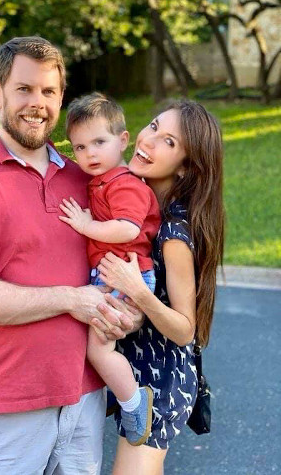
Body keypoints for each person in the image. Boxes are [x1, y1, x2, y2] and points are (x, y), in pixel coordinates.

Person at [0, 36, 140, 475]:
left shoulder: (86, 177)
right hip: (3, 412)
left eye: (48, 91)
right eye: (24, 89)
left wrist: (126, 311)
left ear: (61, 97)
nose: (36, 103)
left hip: (82, 404)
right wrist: (71, 298)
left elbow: (118, 259)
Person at [95, 100, 225, 474]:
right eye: (153, 126)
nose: (148, 140)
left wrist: (137, 291)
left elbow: (186, 330)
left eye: (168, 141)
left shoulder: (172, 233)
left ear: (185, 167)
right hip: (140, 374)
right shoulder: (145, 207)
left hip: (162, 381)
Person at [59, 92, 161, 446]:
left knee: (98, 350)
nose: (90, 154)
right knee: (93, 343)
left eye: (99, 142)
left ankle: (134, 403)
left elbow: (128, 229)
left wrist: (85, 226)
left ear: (122, 140)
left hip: (125, 274)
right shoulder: (102, 181)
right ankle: (115, 393)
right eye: (80, 147)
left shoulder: (125, 183)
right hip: (111, 274)